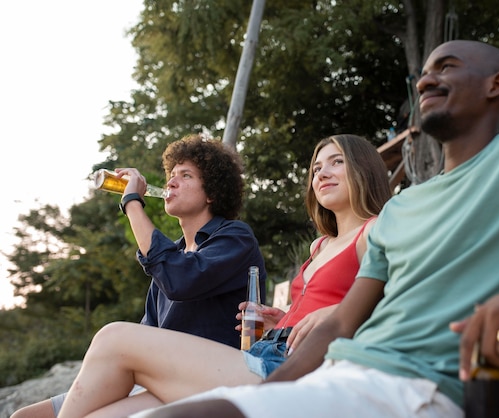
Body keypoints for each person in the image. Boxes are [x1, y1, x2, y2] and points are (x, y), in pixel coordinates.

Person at [129, 40, 499, 418]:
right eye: (424, 73)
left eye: (447, 68)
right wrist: (266, 396)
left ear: (497, 85)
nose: (427, 80)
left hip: (417, 390)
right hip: (337, 376)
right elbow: (343, 324)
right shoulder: (403, 207)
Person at [54, 134, 392, 418]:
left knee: (114, 337)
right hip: (268, 353)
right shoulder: (320, 246)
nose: (321, 174)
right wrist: (281, 320)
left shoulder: (376, 230)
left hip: (292, 368)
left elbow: (408, 294)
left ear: (364, 169)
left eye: (336, 162)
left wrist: (336, 312)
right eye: (316, 168)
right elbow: (309, 313)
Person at [10, 133, 267, 418]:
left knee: (113, 337)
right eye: (171, 174)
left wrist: (132, 202)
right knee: (25, 416)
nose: (171, 181)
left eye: (185, 175)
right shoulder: (173, 255)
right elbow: (148, 334)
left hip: (211, 375)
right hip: (160, 379)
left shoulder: (234, 237)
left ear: (212, 193)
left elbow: (180, 281)